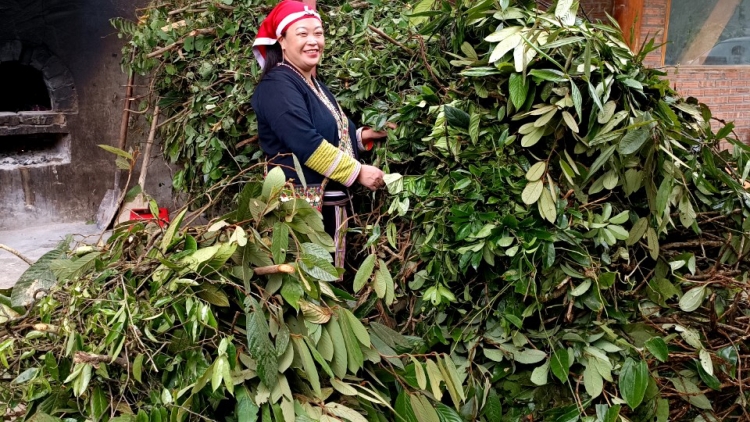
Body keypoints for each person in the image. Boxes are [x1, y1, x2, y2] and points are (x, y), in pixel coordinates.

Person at [251, 0, 390, 267]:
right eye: (302, 34)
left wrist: (365, 136)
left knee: (329, 287)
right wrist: (359, 172)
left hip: (328, 209)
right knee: (311, 290)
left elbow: (334, 132)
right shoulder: (277, 85)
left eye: (319, 33)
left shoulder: (311, 82)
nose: (313, 41)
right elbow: (307, 143)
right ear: (282, 40)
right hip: (300, 215)